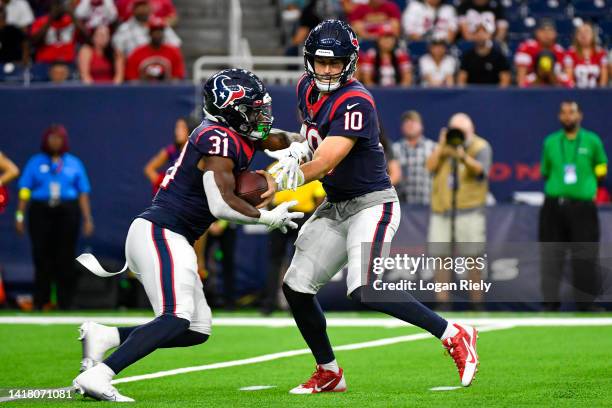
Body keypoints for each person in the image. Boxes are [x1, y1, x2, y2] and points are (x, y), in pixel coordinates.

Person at [265, 20, 479, 394]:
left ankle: (453, 333)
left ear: (350, 64)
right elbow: (314, 137)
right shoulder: (306, 87)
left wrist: (279, 179)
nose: (327, 70)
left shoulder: (356, 100)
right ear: (309, 60)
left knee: (366, 287)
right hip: (336, 205)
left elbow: (328, 159)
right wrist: (286, 142)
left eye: (336, 63)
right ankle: (329, 371)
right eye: (321, 62)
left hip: (371, 203)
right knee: (296, 286)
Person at [72, 69, 305, 401]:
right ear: (230, 111)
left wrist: (302, 145)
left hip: (171, 235)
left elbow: (276, 138)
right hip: (162, 232)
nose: (261, 116)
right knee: (175, 316)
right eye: (253, 110)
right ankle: (101, 374)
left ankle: (105, 335)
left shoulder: (235, 132)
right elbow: (222, 204)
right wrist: (268, 217)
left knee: (196, 329)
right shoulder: (216, 139)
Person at [15, 124, 94, 310]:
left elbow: (83, 192)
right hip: (41, 211)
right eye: (51, 138)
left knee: (65, 257)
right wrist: (19, 215)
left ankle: (65, 302)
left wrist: (87, 218)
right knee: (41, 255)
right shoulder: (35, 162)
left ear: (64, 141)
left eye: (59, 138)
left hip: (67, 212)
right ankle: (41, 301)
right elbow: (25, 190)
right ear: (46, 140)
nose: (55, 141)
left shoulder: (73, 163)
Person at [539, 101, 608, 312]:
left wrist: (589, 180)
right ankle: (550, 304)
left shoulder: (592, 140)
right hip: (554, 206)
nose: (568, 116)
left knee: (586, 255)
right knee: (551, 255)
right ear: (560, 117)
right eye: (564, 113)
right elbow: (545, 171)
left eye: (572, 112)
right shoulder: (550, 142)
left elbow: (602, 166)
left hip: (583, 207)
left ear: (580, 116)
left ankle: (586, 304)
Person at [425, 113, 491, 308]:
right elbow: (429, 167)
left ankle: (477, 303)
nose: (458, 136)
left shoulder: (481, 146)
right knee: (440, 258)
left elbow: (481, 171)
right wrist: (441, 146)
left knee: (473, 259)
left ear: (471, 131)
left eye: (462, 131)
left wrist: (463, 156)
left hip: (469, 211)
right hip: (442, 210)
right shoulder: (443, 148)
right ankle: (443, 302)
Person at [261, 178, 326, 315]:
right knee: (299, 261)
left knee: (276, 261)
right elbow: (320, 197)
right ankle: (295, 305)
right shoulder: (309, 170)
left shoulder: (274, 169)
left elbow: (264, 193)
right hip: (300, 215)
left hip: (280, 213)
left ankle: (269, 305)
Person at [392, 110, 436, 204]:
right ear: (402, 127)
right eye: (407, 122)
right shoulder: (394, 149)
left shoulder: (433, 147)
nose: (410, 125)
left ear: (421, 126)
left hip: (427, 205)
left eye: (414, 121)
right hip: (402, 206)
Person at [112, 0, 180, 57]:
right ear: (133, 9)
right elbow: (119, 55)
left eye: (145, 6)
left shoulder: (160, 25)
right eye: (139, 6)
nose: (143, 9)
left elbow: (175, 46)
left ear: (151, 8)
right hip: (134, 68)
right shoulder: (124, 29)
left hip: (161, 64)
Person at [29, 0, 89, 65]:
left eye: (60, 5)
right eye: (55, 5)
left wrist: (72, 15)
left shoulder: (72, 21)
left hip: (68, 62)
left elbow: (87, 37)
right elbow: (34, 41)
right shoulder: (40, 22)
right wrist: (50, 19)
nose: (58, 8)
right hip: (45, 62)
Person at [144, 116, 191, 191]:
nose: (177, 132)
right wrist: (163, 183)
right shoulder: (172, 150)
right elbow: (149, 169)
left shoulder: (197, 153)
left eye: (182, 128)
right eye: (177, 128)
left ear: (190, 129)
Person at [514, 18, 565, 87]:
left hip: (554, 87)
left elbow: (563, 78)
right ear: (536, 33)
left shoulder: (559, 50)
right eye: (543, 30)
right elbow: (521, 80)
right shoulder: (526, 48)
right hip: (531, 88)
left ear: (555, 33)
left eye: (550, 30)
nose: (546, 34)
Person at [458, 22, 511, 86]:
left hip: (493, 94)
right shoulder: (467, 56)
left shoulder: (498, 56)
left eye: (484, 32)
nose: (480, 35)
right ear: (474, 35)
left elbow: (505, 80)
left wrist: (498, 95)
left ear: (490, 35)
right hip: (471, 94)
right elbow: (461, 80)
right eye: (477, 32)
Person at [564, 22, 608, 89]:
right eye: (580, 32)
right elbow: (569, 79)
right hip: (576, 93)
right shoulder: (570, 53)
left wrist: (600, 95)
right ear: (576, 36)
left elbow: (603, 80)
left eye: (587, 32)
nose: (583, 35)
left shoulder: (601, 53)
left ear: (593, 35)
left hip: (597, 94)